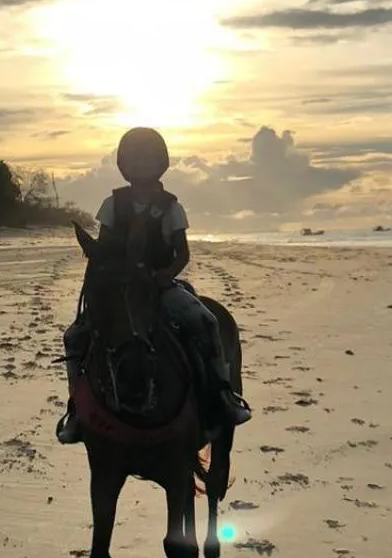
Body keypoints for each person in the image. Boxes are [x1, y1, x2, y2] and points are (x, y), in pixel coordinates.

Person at [57, 127, 252, 444]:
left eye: (149, 157)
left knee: (207, 322)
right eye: (136, 158)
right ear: (124, 163)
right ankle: (77, 411)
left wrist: (163, 276)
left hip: (161, 286)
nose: (142, 164)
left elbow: (182, 253)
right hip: (121, 288)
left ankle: (222, 397)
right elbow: (104, 251)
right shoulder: (112, 205)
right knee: (75, 337)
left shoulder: (171, 207)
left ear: (161, 162)